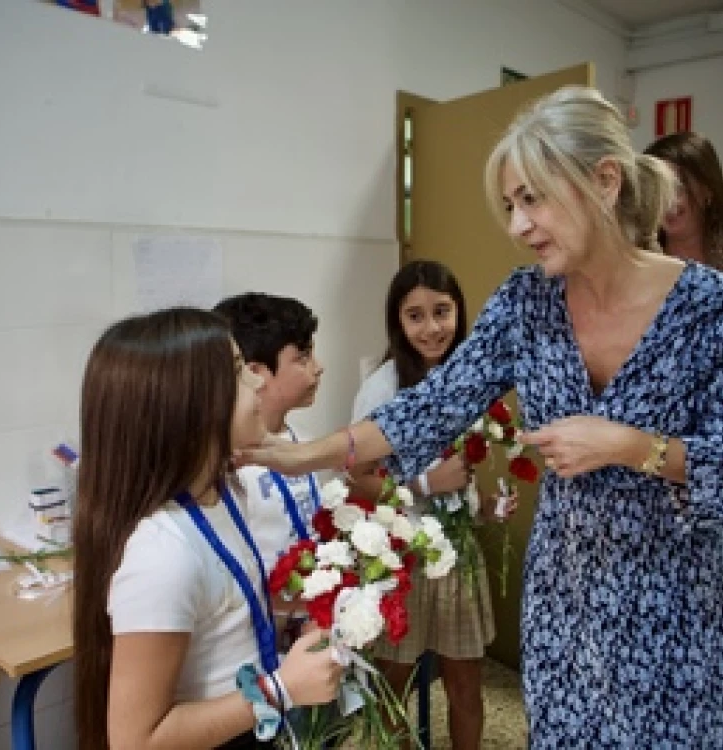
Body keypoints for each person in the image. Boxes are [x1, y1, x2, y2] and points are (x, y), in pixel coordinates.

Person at [238, 86, 723, 747]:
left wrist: (630, 445)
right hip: (566, 600)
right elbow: (427, 410)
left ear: (604, 181)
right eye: (509, 205)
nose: (518, 225)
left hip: (676, 604)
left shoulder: (707, 308)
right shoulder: (527, 301)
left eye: (533, 198)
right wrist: (296, 454)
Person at [73, 308, 342, 750]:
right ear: (189, 406)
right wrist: (281, 689)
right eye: (239, 372)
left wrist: (289, 604)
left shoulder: (223, 492)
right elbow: (136, 740)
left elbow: (219, 611)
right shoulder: (161, 553)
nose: (258, 382)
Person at [350, 260, 496, 749]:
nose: (432, 328)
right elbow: (358, 480)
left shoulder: (473, 381)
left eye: (442, 311)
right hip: (402, 555)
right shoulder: (383, 386)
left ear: (459, 312)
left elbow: (467, 475)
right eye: (415, 316)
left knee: (465, 685)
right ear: (398, 321)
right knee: (395, 685)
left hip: (457, 555)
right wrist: (426, 483)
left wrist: (488, 503)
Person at [213, 293, 324, 575]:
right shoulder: (229, 463)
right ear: (254, 372)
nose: (319, 367)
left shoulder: (304, 441)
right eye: (303, 358)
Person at [644, 131, 723, 270]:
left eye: (678, 187)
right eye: (658, 189)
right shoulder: (641, 263)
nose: (668, 201)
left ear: (707, 189)